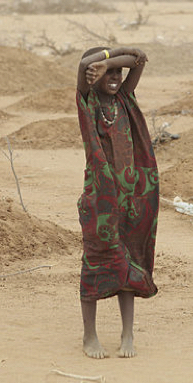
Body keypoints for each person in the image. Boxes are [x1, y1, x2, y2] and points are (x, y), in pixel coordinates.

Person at [76, 45, 157, 359]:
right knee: (95, 263)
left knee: (130, 264)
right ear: (93, 77)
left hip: (130, 201)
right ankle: (89, 337)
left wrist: (115, 56)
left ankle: (127, 334)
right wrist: (98, 63)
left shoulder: (124, 98)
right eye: (106, 73)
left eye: (117, 73)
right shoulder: (88, 101)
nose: (113, 77)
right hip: (100, 202)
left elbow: (138, 61)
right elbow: (84, 63)